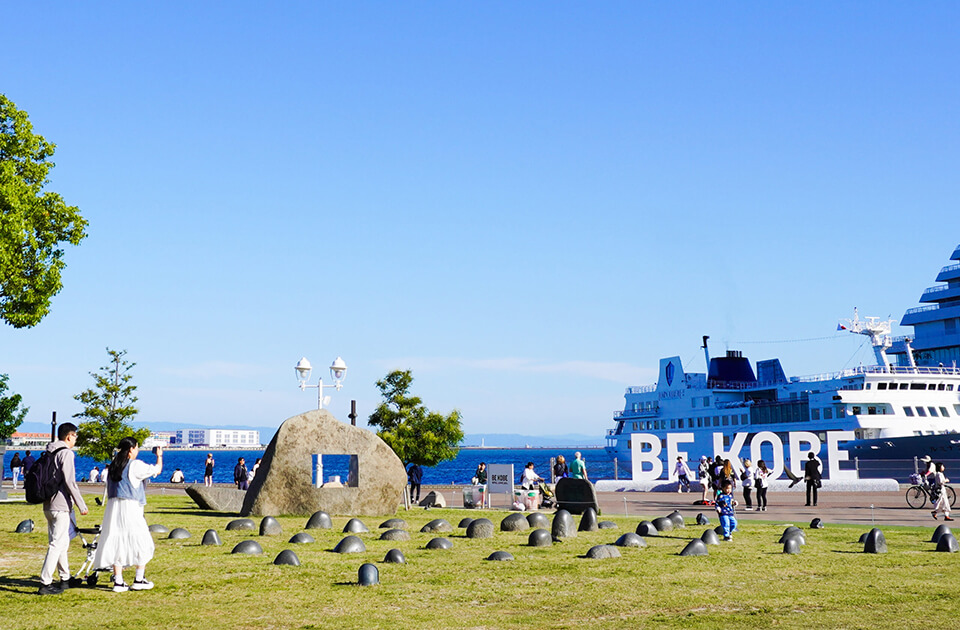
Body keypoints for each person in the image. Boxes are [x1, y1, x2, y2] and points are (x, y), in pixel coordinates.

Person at [93, 438, 162, 592]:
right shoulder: (135, 465)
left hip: (113, 508)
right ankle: (139, 578)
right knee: (141, 540)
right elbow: (157, 470)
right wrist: (159, 456)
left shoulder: (113, 467)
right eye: (136, 448)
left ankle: (118, 581)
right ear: (131, 449)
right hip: (131, 507)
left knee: (116, 541)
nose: (137, 451)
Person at [38, 423, 89, 595]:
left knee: (61, 543)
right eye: (75, 436)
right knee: (57, 544)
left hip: (48, 503)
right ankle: (45, 582)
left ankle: (65, 578)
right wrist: (81, 504)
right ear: (69, 436)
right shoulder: (66, 453)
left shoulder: (49, 452)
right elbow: (70, 482)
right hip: (61, 505)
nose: (75, 440)